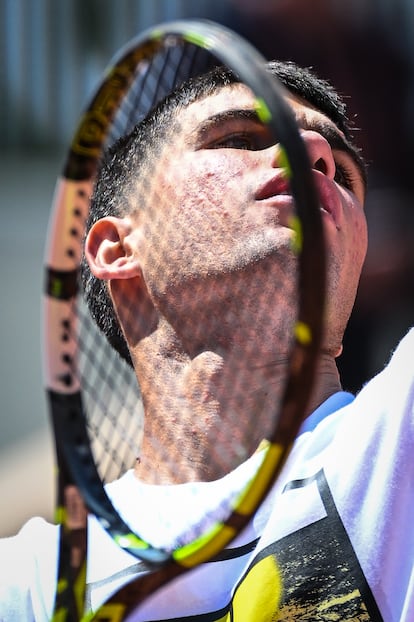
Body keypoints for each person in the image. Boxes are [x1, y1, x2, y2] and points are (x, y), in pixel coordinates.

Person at [0, 60, 413, 622]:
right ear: (117, 248)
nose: (313, 154)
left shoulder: (399, 439)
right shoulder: (28, 586)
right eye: (240, 138)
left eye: (341, 173)